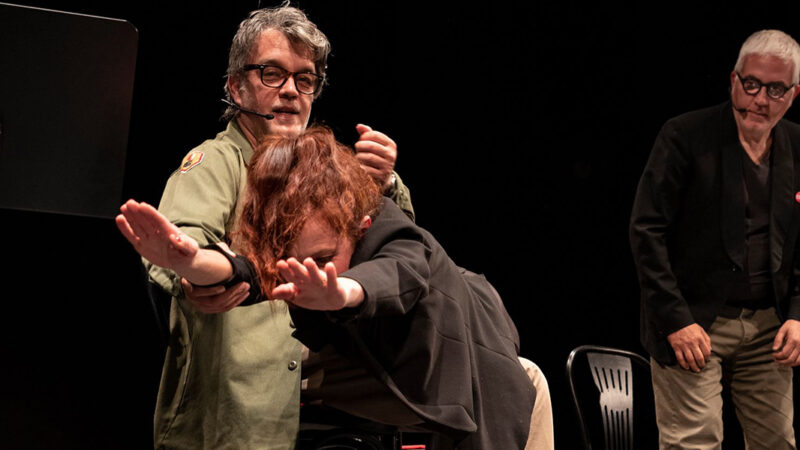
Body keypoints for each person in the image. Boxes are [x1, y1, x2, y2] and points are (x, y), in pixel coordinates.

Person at [118, 126, 540, 449]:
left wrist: (340, 292)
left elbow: (395, 274)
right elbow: (246, 270)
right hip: (361, 358)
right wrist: (190, 261)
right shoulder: (289, 223)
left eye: (323, 258)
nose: (309, 271)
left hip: (446, 350)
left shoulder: (394, 232)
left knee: (529, 383)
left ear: (360, 227)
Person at [144, 5, 413, 448]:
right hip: (248, 386)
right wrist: (194, 273)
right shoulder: (217, 162)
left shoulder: (322, 167)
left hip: (327, 356)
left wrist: (385, 184)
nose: (290, 91)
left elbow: (401, 250)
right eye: (272, 74)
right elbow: (178, 243)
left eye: (305, 79)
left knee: (490, 375)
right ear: (236, 86)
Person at [630, 29, 800, 448]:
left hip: (768, 326)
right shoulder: (686, 136)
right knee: (695, 441)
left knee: (778, 441)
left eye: (775, 89)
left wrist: (798, 314)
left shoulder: (798, 145)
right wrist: (676, 320)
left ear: (793, 94)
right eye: (751, 84)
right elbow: (647, 230)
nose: (760, 99)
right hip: (694, 319)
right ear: (733, 80)